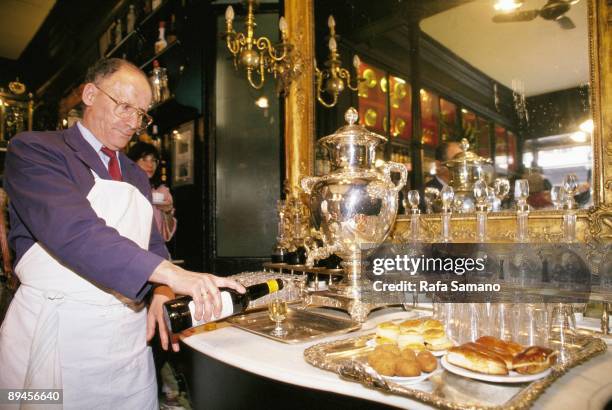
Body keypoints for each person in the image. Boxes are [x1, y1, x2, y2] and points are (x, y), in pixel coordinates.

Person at [0, 58, 245, 409]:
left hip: (126, 339)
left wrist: (161, 290)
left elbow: (153, 244)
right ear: (89, 94)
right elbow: (76, 233)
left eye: (142, 114)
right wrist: (175, 277)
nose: (133, 122)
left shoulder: (135, 175)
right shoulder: (36, 150)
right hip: (55, 328)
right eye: (125, 107)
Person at [128, 142, 176, 241]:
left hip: (154, 249)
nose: (150, 165)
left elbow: (167, 235)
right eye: (144, 159)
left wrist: (167, 212)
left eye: (154, 160)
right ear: (133, 162)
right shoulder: (125, 188)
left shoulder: (161, 191)